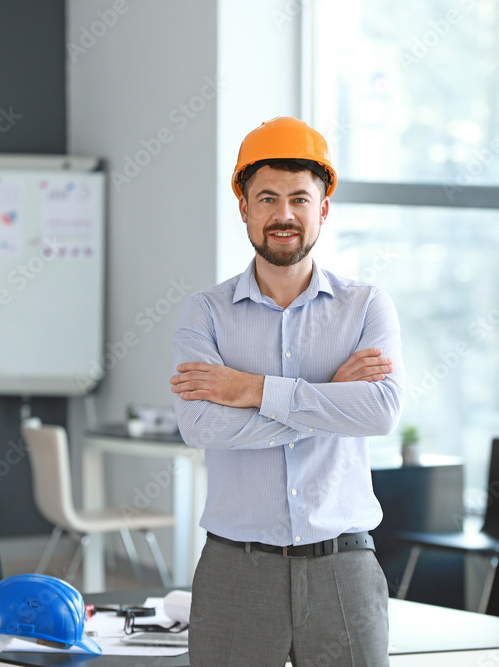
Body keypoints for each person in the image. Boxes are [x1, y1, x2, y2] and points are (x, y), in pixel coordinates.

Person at [170, 117, 405, 666]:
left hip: (343, 568)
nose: (283, 215)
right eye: (267, 198)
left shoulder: (368, 306)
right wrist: (328, 399)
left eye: (299, 198)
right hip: (237, 569)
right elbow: (202, 426)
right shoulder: (204, 313)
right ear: (244, 207)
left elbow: (380, 412)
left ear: (322, 208)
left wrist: (252, 389)